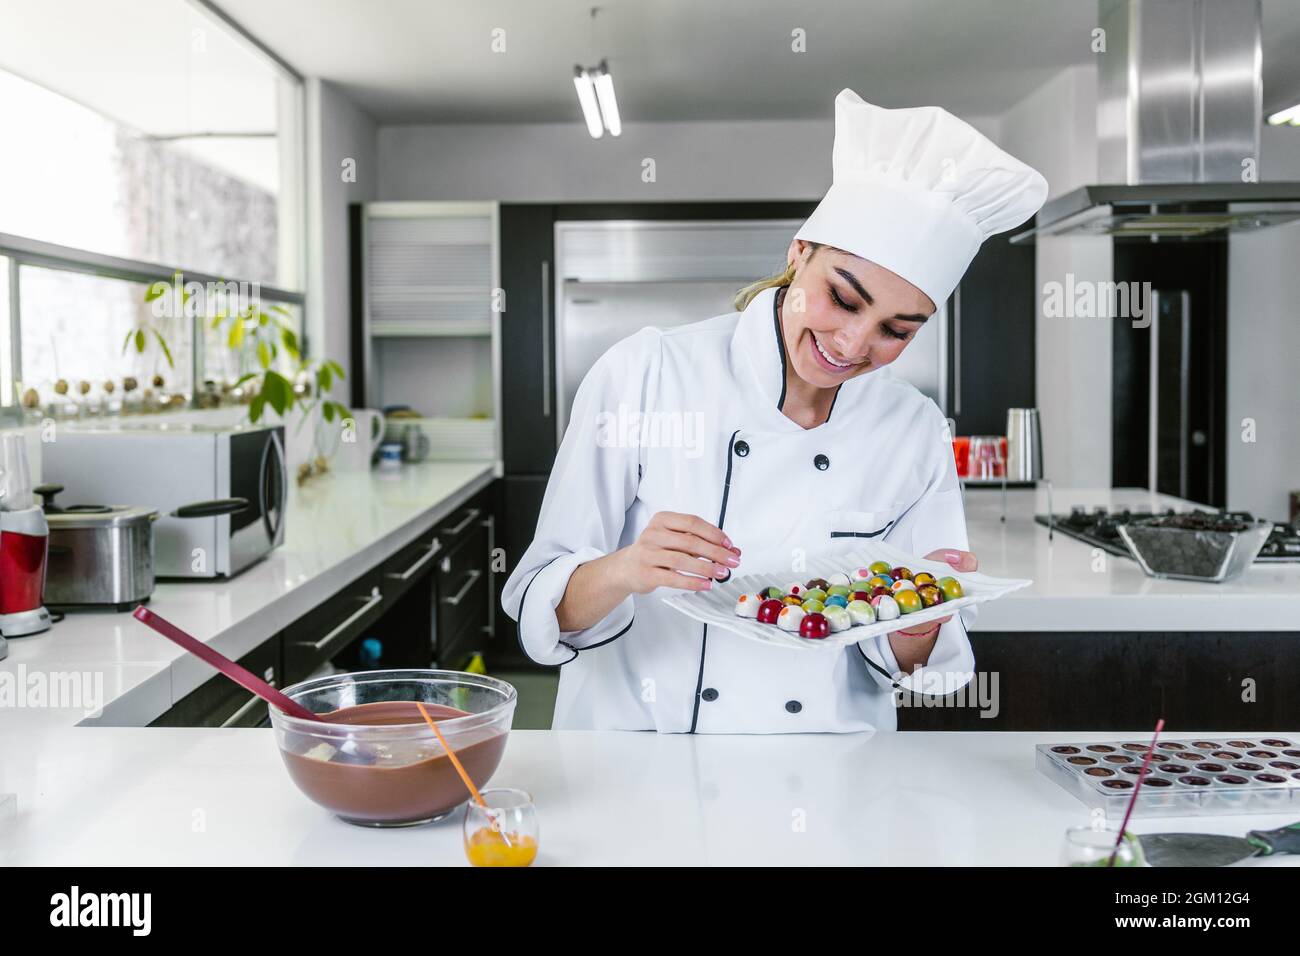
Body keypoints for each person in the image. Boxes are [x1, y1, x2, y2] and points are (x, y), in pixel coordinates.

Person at [502, 89, 1047, 732]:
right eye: (843, 299)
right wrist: (626, 568)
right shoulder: (647, 373)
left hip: (825, 763)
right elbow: (544, 607)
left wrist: (919, 622)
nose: (853, 344)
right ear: (800, 252)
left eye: (896, 330)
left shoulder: (913, 429)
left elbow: (916, 669)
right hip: (643, 755)